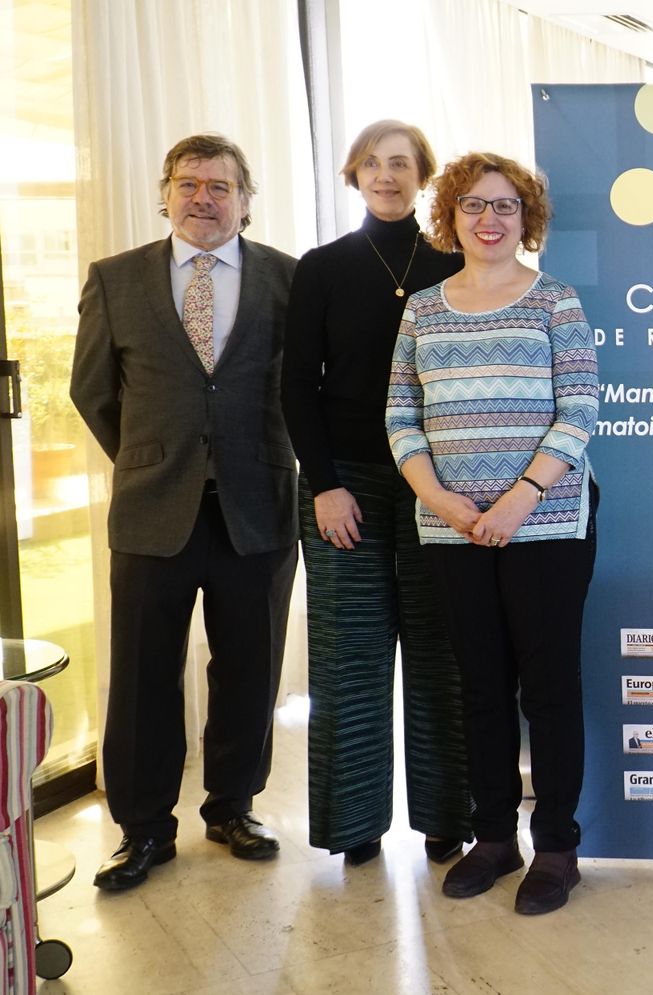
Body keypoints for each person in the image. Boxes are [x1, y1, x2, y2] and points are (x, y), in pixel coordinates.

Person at [70, 134, 298, 890]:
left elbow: (308, 392)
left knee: (250, 666)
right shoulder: (115, 279)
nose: (204, 198)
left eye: (221, 186)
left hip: (258, 508)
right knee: (141, 676)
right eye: (190, 184)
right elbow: (94, 392)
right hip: (152, 509)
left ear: (245, 199)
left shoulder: (288, 280)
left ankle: (232, 806)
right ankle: (143, 832)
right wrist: (152, 457)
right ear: (165, 192)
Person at [386, 151, 599, 916]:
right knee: (479, 690)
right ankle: (494, 840)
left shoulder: (556, 303)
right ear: (452, 216)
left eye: (505, 205)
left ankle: (558, 848)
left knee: (548, 691)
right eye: (474, 205)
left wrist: (519, 500)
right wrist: (440, 500)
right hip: (451, 531)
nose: (489, 218)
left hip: (546, 525)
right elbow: (400, 416)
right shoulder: (424, 309)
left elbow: (578, 411)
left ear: (526, 219)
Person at [281, 120, 473, 867]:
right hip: (346, 485)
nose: (386, 175)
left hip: (438, 482)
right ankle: (354, 823)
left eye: (401, 164)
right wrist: (324, 485)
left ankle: (446, 818)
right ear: (353, 175)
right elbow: (298, 384)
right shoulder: (321, 267)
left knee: (441, 651)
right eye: (372, 163)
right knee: (348, 656)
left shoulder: (456, 265)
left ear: (423, 175)